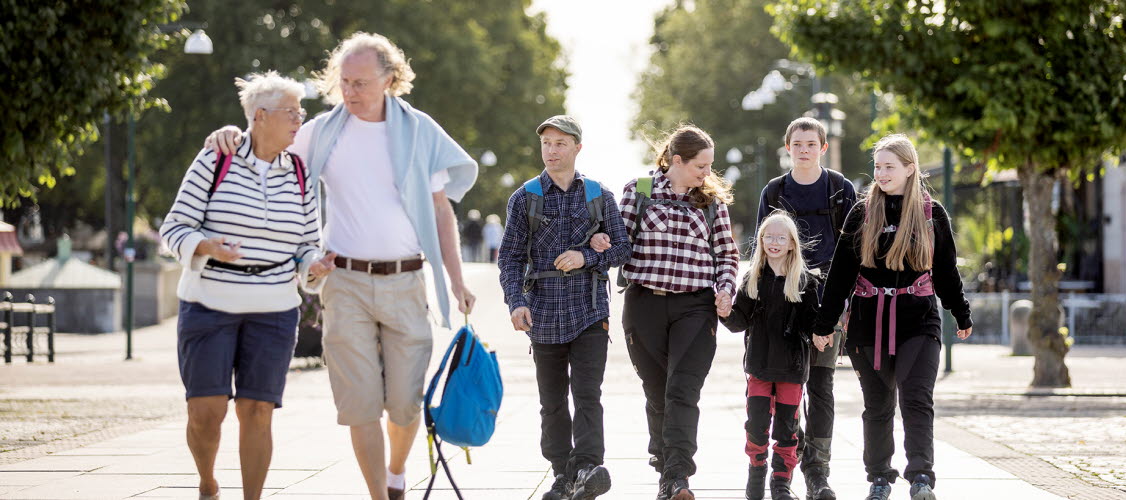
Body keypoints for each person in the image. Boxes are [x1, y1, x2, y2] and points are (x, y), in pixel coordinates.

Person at [203, 32, 477, 500]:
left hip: (406, 280)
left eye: (360, 83)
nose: (350, 92)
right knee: (360, 405)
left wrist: (455, 279)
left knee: (406, 405)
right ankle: (379, 495)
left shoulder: (419, 131)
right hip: (344, 281)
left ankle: (395, 471)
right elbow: (267, 150)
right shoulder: (321, 131)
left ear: (389, 80)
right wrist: (231, 134)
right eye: (344, 82)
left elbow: (440, 210)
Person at [161, 71, 336, 500]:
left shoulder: (299, 174)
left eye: (301, 112)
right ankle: (207, 484)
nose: (299, 121)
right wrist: (205, 245)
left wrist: (315, 264)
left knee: (257, 409)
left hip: (273, 307)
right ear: (259, 117)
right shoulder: (214, 160)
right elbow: (174, 227)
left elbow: (305, 245)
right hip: (208, 303)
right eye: (290, 113)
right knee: (206, 410)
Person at [813, 134, 972, 500]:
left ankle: (920, 477)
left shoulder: (932, 214)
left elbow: (947, 271)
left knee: (916, 399)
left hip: (919, 319)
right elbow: (840, 274)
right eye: (877, 167)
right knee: (878, 405)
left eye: (889, 167)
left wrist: (961, 313)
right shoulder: (862, 212)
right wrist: (825, 325)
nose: (881, 173)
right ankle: (880, 477)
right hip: (868, 322)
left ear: (909, 169)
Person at [498, 115, 631, 500]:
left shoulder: (598, 195)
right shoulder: (525, 198)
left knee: (588, 394)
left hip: (590, 311)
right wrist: (515, 303)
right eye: (547, 144)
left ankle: (588, 467)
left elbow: (623, 249)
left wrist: (586, 256)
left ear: (577, 148)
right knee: (552, 401)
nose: (552, 150)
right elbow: (509, 259)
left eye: (560, 143)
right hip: (541, 313)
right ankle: (562, 472)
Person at [618, 125, 739, 500]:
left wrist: (726, 289)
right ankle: (664, 465)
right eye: (700, 166)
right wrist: (601, 241)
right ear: (676, 161)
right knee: (657, 392)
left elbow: (727, 254)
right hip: (645, 304)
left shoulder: (711, 201)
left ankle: (678, 476)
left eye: (709, 166)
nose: (707, 173)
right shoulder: (638, 189)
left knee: (683, 391)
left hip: (695, 307)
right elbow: (620, 242)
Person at [755, 117, 857, 500]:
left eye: (810, 144)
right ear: (787, 147)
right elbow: (762, 247)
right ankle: (784, 469)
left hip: (828, 303)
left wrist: (846, 304)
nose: (803, 150)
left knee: (822, 385)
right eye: (796, 143)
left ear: (822, 148)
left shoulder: (839, 189)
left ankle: (818, 471)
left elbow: (854, 249)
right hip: (783, 303)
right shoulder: (775, 191)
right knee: (785, 385)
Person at [721, 212, 822, 500]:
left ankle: (781, 483)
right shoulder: (753, 280)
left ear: (792, 244)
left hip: (792, 368)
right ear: (761, 240)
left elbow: (811, 322)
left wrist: (822, 332)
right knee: (756, 425)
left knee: (788, 428)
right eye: (768, 236)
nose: (774, 242)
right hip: (759, 367)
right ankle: (756, 471)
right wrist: (725, 311)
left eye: (781, 237)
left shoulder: (804, 282)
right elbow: (739, 320)